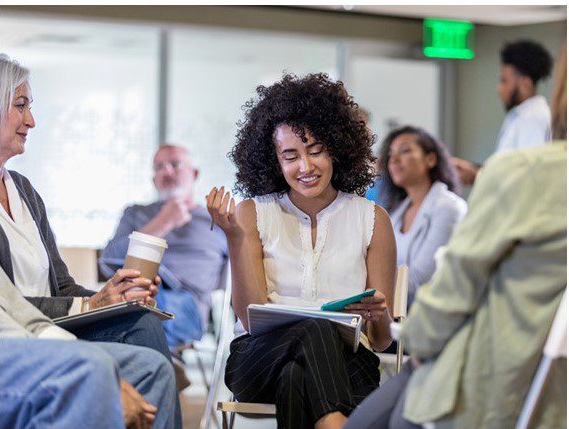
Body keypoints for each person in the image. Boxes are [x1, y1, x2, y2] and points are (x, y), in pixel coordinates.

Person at [344, 46, 567, 429]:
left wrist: (414, 339)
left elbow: (451, 289)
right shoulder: (391, 212)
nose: (394, 161)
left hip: (486, 379)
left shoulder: (522, 172)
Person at [0, 54, 182, 427]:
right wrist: (90, 305)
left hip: (56, 324)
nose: (31, 120)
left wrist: (114, 295)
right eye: (20, 106)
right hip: (26, 333)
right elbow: (10, 306)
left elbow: (63, 284)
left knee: (141, 319)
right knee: (140, 336)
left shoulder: (24, 191)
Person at [207, 72, 396, 429]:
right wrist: (235, 238)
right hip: (258, 359)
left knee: (296, 376)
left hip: (350, 364)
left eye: (315, 151)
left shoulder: (372, 218)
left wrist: (381, 314)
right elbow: (249, 319)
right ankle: (335, 422)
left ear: (337, 149)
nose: (305, 167)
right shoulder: (253, 212)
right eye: (290, 155)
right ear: (274, 160)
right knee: (314, 329)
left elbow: (382, 340)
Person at [0, 267, 176, 429]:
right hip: (13, 343)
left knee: (150, 366)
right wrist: (89, 306)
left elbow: (20, 306)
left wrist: (117, 298)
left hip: (36, 334)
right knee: (95, 365)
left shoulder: (40, 231)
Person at [102, 144, 229, 347]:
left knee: (145, 308)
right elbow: (108, 260)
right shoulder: (135, 213)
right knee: (110, 307)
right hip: (134, 294)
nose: (166, 171)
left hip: (188, 305)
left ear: (194, 173)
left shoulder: (218, 221)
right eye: (158, 167)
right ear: (154, 179)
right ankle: (161, 365)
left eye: (175, 164)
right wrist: (163, 222)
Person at [378, 126, 467, 300]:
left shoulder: (449, 208)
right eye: (390, 155)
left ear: (431, 159)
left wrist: (370, 283)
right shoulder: (396, 212)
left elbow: (422, 280)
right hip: (400, 313)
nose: (394, 160)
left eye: (404, 151)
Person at [453, 39, 553, 186]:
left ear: (525, 84)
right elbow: (509, 168)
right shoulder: (520, 115)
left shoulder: (533, 118)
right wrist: (475, 170)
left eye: (504, 81)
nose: (499, 89)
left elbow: (526, 175)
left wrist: (477, 176)